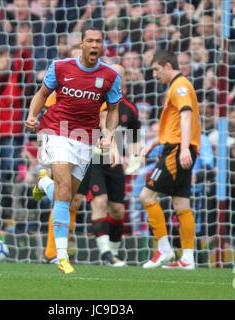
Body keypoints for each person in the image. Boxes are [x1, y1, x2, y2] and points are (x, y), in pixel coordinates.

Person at [25, 26, 122, 274]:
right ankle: (61, 256)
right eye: (89, 41)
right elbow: (42, 93)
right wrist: (32, 115)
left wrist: (109, 135)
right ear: (81, 44)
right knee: (65, 191)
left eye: (98, 41)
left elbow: (112, 111)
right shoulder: (60, 67)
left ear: (102, 46)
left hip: (84, 139)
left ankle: (44, 184)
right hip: (57, 130)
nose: (94, 45)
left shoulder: (110, 76)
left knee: (68, 197)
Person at [139, 50, 201, 270]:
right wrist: (153, 143)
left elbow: (186, 115)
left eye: (156, 69)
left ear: (167, 66)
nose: (154, 75)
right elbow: (174, 125)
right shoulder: (176, 87)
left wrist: (184, 148)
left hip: (177, 150)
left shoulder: (180, 86)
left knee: (146, 196)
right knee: (181, 203)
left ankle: (164, 250)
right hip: (177, 147)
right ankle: (187, 258)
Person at [89, 63, 141, 267]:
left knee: (118, 210)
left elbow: (134, 136)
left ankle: (113, 254)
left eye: (120, 74)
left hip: (116, 163)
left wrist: (136, 157)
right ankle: (105, 254)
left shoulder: (130, 109)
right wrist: (113, 149)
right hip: (95, 158)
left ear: (124, 79)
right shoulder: (101, 102)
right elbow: (104, 125)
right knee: (100, 202)